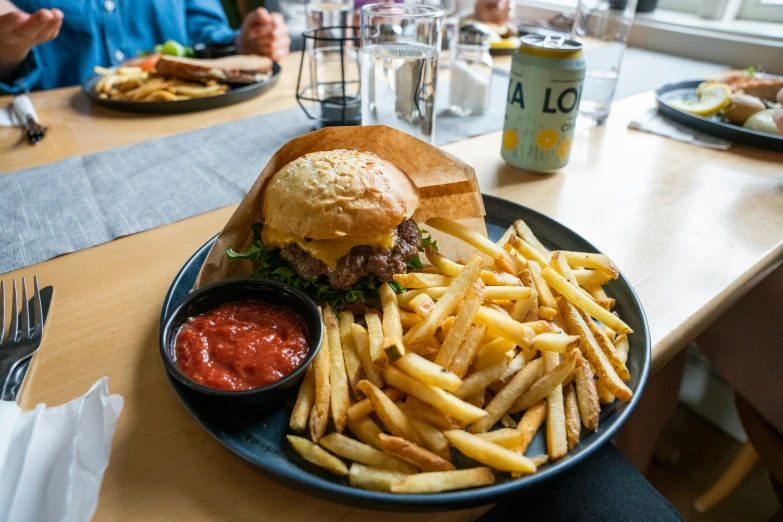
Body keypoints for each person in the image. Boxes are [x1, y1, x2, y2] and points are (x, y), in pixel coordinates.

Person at [0, 0, 291, 94]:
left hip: (186, 124)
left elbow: (206, 32)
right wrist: (8, 50)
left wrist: (244, 43)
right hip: (59, 137)